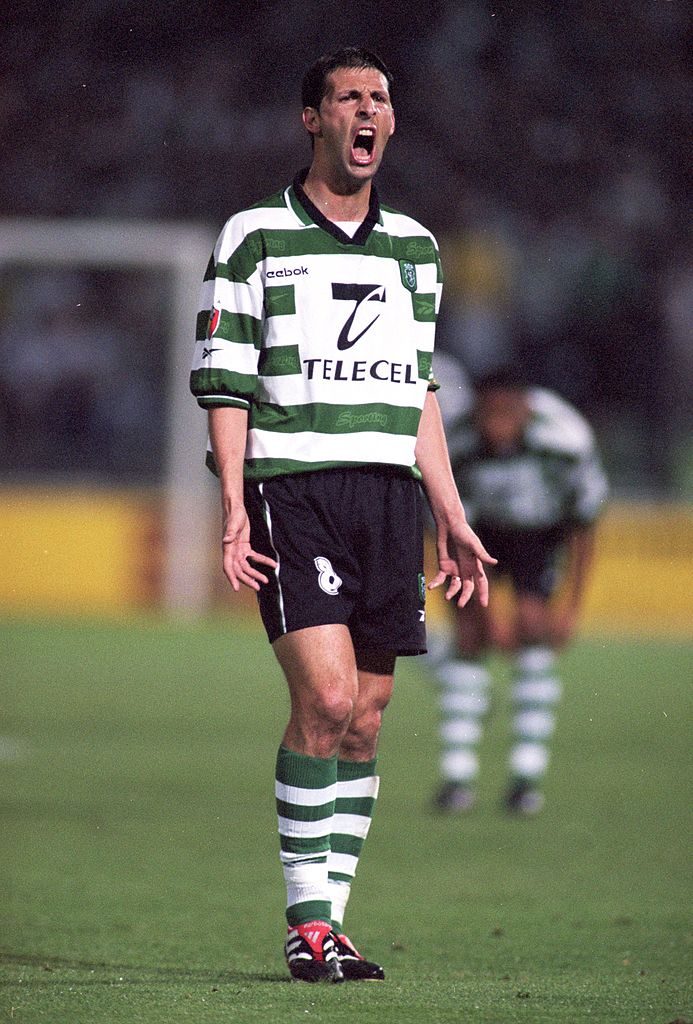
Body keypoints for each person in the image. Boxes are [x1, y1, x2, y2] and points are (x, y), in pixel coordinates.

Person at [190, 47, 496, 983]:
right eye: (348, 98)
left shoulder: (415, 248)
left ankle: (331, 926)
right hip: (294, 488)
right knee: (324, 700)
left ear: (391, 122)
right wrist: (234, 503)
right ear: (312, 118)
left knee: (364, 718)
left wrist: (449, 511)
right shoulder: (254, 235)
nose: (367, 112)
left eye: (380, 99)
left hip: (386, 495)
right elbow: (225, 381)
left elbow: (417, 392)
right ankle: (306, 921)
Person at [429, 367, 608, 815]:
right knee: (470, 635)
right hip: (479, 534)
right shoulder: (457, 442)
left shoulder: (566, 440)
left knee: (532, 625)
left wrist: (570, 608)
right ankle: (457, 777)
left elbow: (584, 524)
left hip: (540, 532)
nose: (497, 426)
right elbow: (440, 523)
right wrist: (483, 613)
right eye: (489, 414)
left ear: (526, 407)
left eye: (507, 414)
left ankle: (526, 776)